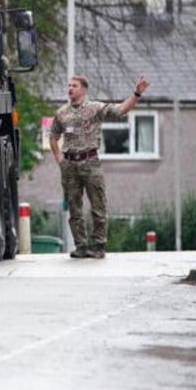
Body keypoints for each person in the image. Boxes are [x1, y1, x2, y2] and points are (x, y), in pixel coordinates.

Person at [49, 75, 150, 259]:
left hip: (90, 161)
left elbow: (120, 110)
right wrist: (59, 158)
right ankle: (81, 245)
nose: (70, 89)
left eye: (75, 86)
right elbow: (53, 135)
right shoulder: (62, 113)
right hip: (70, 164)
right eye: (69, 85)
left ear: (83, 89)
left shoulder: (95, 108)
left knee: (98, 204)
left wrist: (136, 94)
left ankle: (98, 245)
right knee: (74, 207)